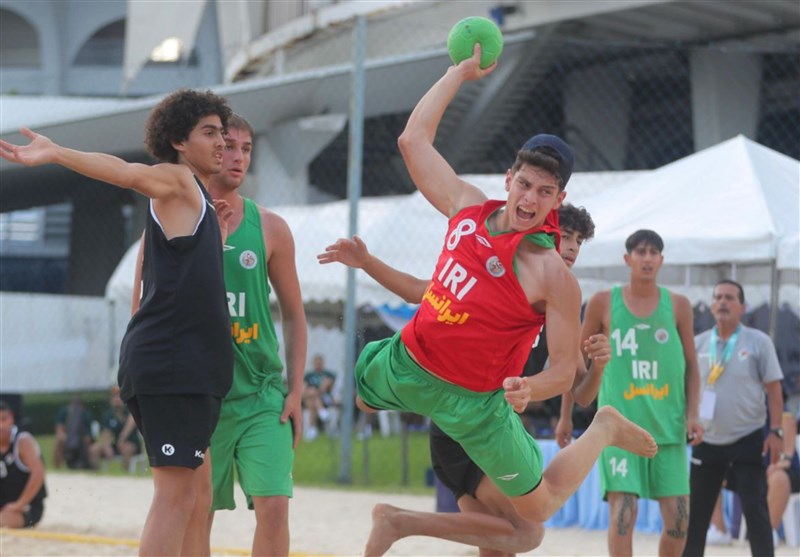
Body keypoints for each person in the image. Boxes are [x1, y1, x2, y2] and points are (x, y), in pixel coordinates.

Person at [321, 45, 657, 556]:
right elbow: (413, 140)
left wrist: (531, 386)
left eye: (544, 192)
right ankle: (397, 517)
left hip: (480, 405)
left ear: (557, 201)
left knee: (535, 516)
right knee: (363, 399)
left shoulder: (553, 275)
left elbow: (566, 369)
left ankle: (604, 428)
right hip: (410, 362)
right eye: (524, 184)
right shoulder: (467, 208)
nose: (529, 200)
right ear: (508, 178)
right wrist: (458, 73)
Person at [0, 88, 235, 556]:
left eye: (223, 132)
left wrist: (216, 234)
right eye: (209, 133)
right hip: (174, 365)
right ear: (179, 142)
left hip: (187, 365)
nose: (222, 143)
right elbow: (128, 173)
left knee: (196, 495)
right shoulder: (177, 179)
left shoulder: (198, 203)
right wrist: (57, 153)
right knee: (175, 498)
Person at [320, 202, 612, 556]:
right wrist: (367, 262)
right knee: (524, 532)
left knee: (501, 544)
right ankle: (397, 521)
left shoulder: (562, 299)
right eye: (565, 236)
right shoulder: (497, 279)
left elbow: (580, 392)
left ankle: (397, 520)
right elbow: (419, 291)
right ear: (540, 237)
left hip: (493, 425)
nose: (570, 248)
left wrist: (597, 366)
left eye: (579, 241)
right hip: (464, 424)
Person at [203, 113, 306, 557]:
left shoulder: (270, 227)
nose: (238, 157)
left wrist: (297, 390)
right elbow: (141, 311)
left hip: (262, 394)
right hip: (199, 398)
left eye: (247, 149)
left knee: (274, 509)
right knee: (193, 513)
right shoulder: (173, 219)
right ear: (205, 147)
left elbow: (295, 316)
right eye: (228, 146)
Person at [578, 229, 703, 557]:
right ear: (627, 259)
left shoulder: (679, 305)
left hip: (669, 429)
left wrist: (693, 414)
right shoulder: (604, 302)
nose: (647, 258)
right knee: (624, 513)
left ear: (661, 260)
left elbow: (692, 366)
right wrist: (566, 415)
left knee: (679, 520)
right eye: (641, 252)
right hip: (620, 430)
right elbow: (574, 363)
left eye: (653, 253)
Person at [683, 279, 785, 557]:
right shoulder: (698, 343)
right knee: (696, 517)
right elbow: (685, 387)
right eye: (718, 297)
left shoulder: (758, 342)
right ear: (712, 305)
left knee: (756, 512)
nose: (723, 302)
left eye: (730, 298)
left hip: (747, 439)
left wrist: (776, 432)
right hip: (706, 438)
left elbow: (774, 390)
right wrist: (686, 422)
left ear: (742, 306)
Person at [0, 400, 47, 529]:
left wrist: (19, 505)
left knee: (5, 519)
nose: (1, 426)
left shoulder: (22, 441)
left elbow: (39, 473)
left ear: (11, 418)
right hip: (4, 504)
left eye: (3, 419)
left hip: (26, 507)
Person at [88, 386, 141, 471]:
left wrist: (121, 440)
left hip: (132, 444)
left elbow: (130, 425)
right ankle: (96, 474)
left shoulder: (130, 411)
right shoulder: (109, 415)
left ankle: (126, 474)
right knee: (93, 449)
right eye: (114, 397)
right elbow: (106, 433)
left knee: (125, 448)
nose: (116, 399)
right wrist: (106, 446)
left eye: (119, 396)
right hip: (116, 445)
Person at [302, 354, 339, 439]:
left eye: (319, 363)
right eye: (316, 363)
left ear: (323, 363)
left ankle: (312, 430)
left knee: (312, 397)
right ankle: (322, 413)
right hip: (313, 398)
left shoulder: (328, 374)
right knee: (311, 400)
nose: (318, 365)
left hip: (326, 398)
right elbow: (303, 390)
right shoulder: (309, 375)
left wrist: (314, 391)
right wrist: (313, 392)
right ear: (313, 364)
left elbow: (327, 386)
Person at [53, 397, 93, 470]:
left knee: (86, 442)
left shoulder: (85, 415)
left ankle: (85, 464)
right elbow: (59, 429)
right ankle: (57, 467)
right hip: (68, 439)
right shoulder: (64, 413)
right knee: (59, 440)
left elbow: (89, 435)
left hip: (81, 440)